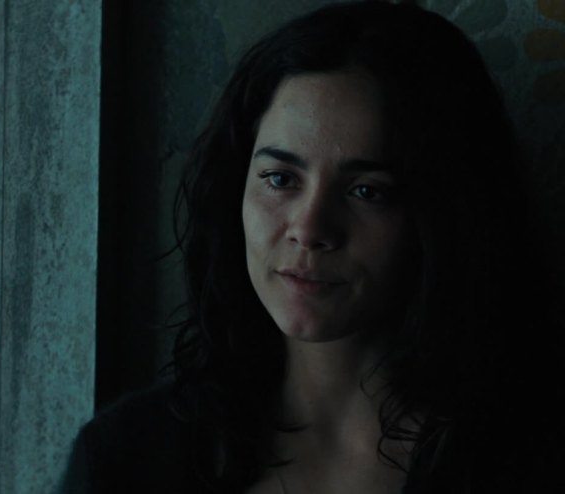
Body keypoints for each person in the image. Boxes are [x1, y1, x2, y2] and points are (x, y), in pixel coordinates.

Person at [61, 1, 563, 493]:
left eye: (366, 191)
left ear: (445, 214)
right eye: (280, 179)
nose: (309, 228)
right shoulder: (127, 459)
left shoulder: (530, 461)